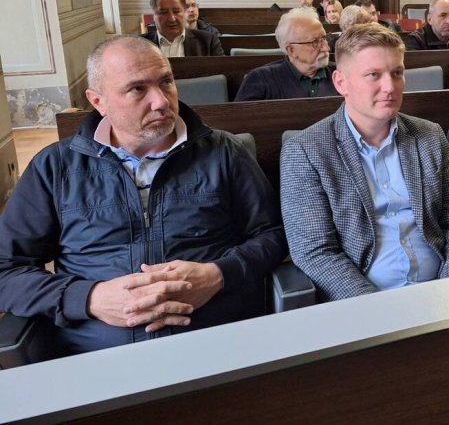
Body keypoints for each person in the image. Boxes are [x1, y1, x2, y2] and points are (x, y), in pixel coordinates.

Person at [0, 36, 287, 355]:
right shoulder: (56, 168)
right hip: (98, 357)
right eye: (137, 89)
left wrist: (218, 275)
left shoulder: (223, 152)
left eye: (166, 82)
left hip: (219, 343)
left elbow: (273, 235)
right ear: (98, 101)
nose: (161, 101)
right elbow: (7, 270)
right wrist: (89, 298)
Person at [280, 24, 449, 301]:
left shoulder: (429, 135)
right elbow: (315, 252)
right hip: (363, 301)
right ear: (341, 83)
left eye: (397, 73)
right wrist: (374, 308)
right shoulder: (306, 151)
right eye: (373, 75)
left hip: (441, 290)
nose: (390, 87)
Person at [235, 7, 338, 101]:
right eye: (315, 42)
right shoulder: (260, 80)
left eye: (324, 38)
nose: (326, 47)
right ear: (291, 50)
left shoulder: (340, 73)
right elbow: (241, 115)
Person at [141, 0, 224, 56]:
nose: (172, 19)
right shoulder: (139, 44)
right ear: (154, 16)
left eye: (176, 11)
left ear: (184, 12)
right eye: (164, 12)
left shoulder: (208, 42)